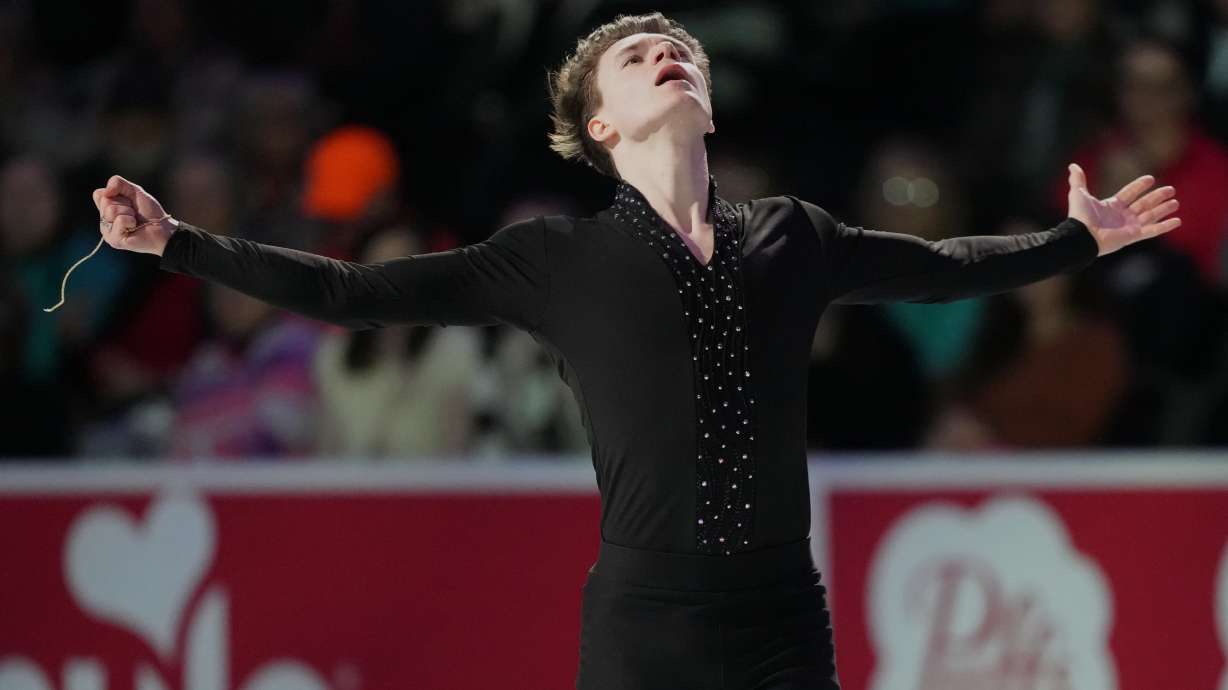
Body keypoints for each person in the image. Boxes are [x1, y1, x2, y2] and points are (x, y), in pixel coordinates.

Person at [90, 12, 1182, 690]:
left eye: (679, 48)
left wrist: (1073, 240)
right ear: (600, 127)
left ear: (703, 103)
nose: (666, 53)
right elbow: (352, 291)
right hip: (645, 628)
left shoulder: (792, 236)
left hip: (780, 619)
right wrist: (179, 243)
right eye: (634, 54)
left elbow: (945, 263)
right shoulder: (553, 259)